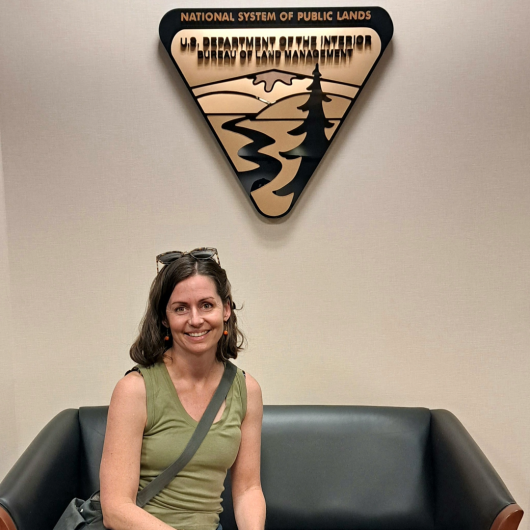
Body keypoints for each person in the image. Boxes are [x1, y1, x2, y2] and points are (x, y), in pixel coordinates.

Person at [100, 248, 266, 530]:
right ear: (164, 318)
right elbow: (116, 509)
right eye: (180, 308)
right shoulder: (134, 390)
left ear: (226, 309)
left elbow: (248, 489)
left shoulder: (246, 389)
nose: (195, 320)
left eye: (206, 305)